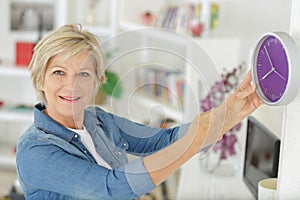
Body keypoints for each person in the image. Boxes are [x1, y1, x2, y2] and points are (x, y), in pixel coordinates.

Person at [16, 24, 263, 200]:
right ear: (40, 80)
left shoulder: (98, 121)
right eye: (59, 72)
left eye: (83, 74)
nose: (72, 85)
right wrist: (194, 141)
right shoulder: (35, 150)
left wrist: (230, 113)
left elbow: (164, 140)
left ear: (95, 82)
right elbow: (113, 189)